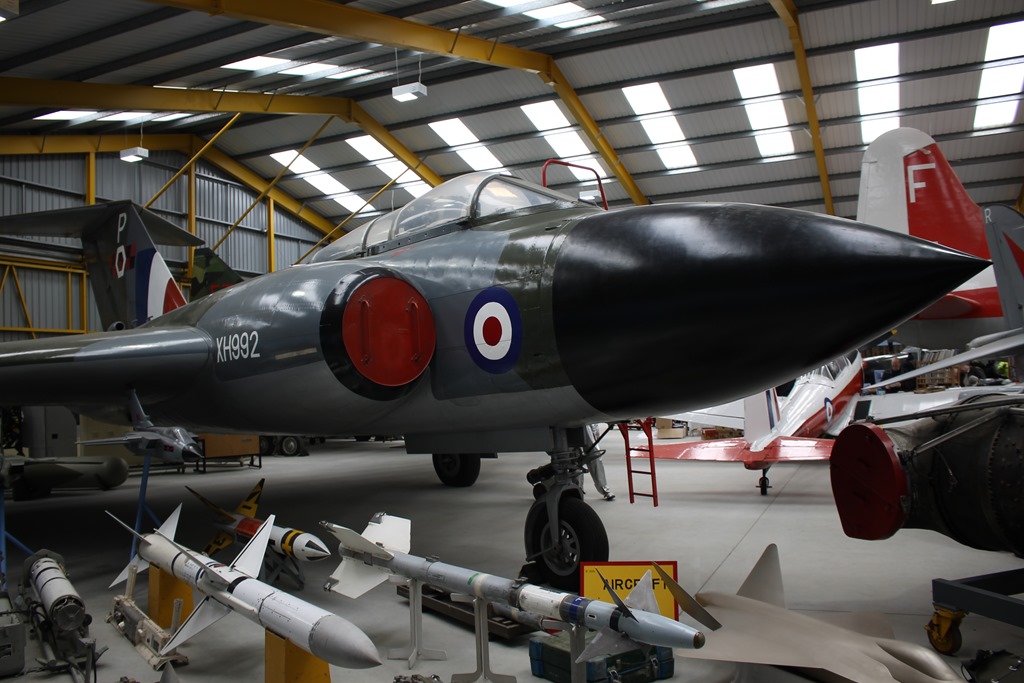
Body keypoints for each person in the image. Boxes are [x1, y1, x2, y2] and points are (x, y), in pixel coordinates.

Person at [582, 424, 614, 501]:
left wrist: (595, 431)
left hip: (584, 425)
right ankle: (577, 489)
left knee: (595, 456)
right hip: (563, 426)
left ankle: (604, 488)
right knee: (573, 458)